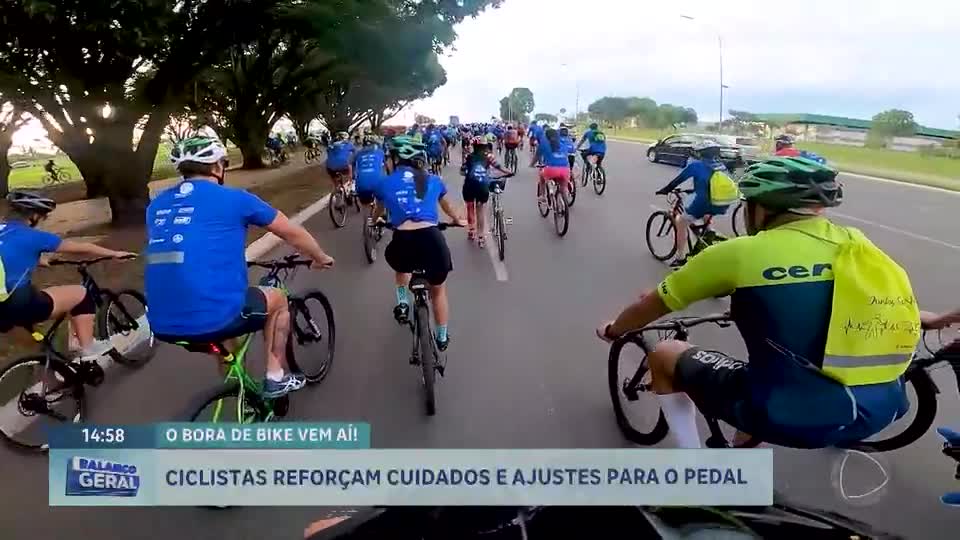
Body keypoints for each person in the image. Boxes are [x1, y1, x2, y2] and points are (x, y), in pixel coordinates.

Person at [596, 156, 917, 451]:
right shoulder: (859, 245)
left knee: (666, 353)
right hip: (883, 410)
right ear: (817, 209)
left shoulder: (739, 253)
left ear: (761, 209)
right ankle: (743, 459)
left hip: (793, 417)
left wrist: (614, 329)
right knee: (769, 374)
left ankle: (693, 469)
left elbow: (651, 306)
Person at [145, 136, 335, 398]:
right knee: (278, 300)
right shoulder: (236, 199)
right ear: (217, 167)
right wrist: (320, 257)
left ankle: (239, 389)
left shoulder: (156, 205)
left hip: (159, 322)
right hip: (213, 315)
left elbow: (186, 245)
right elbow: (291, 232)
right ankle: (275, 378)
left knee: (223, 329)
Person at [0, 191, 135, 359]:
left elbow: (10, 254)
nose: (42, 220)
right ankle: (87, 347)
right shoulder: (34, 236)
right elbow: (82, 248)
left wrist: (41, 260)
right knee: (81, 294)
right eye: (43, 216)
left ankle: (49, 371)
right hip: (17, 301)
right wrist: (114, 254)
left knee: (38, 349)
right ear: (33, 216)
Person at [377, 137, 465, 351]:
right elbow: (447, 207)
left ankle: (402, 303)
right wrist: (457, 220)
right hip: (431, 239)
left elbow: (379, 211)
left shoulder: (384, 183)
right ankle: (442, 337)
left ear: (396, 159)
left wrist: (376, 219)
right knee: (438, 290)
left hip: (402, 241)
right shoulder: (434, 180)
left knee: (401, 268)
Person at [655, 140, 735, 268]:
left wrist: (665, 190)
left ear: (700, 153)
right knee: (704, 208)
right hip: (723, 202)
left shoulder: (696, 165)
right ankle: (709, 231)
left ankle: (680, 258)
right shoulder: (720, 165)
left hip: (704, 202)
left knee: (680, 221)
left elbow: (678, 181)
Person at [461, 136, 512, 247]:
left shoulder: (468, 156)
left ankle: (471, 230)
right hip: (482, 186)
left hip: (469, 186)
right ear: (485, 146)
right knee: (480, 209)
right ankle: (481, 236)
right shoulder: (489, 156)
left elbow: (462, 171)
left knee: (470, 207)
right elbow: (499, 167)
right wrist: (509, 172)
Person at [530, 127, 573, 204]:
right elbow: (571, 150)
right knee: (563, 188)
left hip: (550, 170)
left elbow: (537, 156)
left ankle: (543, 196)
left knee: (541, 177)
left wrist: (532, 164)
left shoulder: (543, 144)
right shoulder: (563, 143)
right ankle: (565, 200)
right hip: (565, 170)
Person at [354, 135, 387, 218]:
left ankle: (367, 220)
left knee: (365, 205)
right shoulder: (380, 152)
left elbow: (352, 165)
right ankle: (377, 218)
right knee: (382, 203)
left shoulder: (358, 153)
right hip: (378, 183)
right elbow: (386, 167)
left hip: (361, 183)